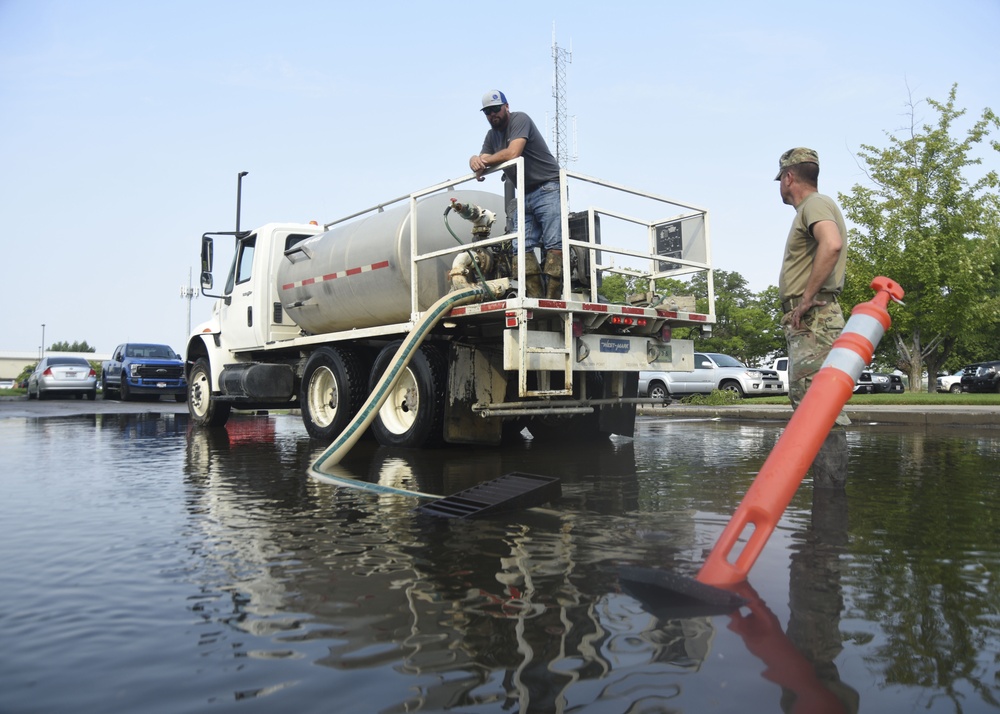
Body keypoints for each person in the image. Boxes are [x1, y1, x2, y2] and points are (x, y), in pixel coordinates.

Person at [775, 147, 850, 487]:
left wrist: (805, 300)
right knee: (812, 406)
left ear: (789, 177)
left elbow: (830, 244)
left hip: (815, 318)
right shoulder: (813, 208)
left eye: (780, 180)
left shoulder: (815, 204)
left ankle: (830, 507)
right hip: (812, 321)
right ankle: (827, 498)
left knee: (817, 408)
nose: (780, 186)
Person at [469, 90, 563, 298]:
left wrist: (483, 160)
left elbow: (513, 152)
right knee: (520, 247)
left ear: (506, 107)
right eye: (488, 112)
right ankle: (537, 297)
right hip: (526, 192)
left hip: (548, 186)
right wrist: (473, 159)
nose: (493, 114)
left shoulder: (520, 119)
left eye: (496, 109)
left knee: (554, 242)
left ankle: (553, 297)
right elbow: (480, 165)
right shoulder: (491, 136)